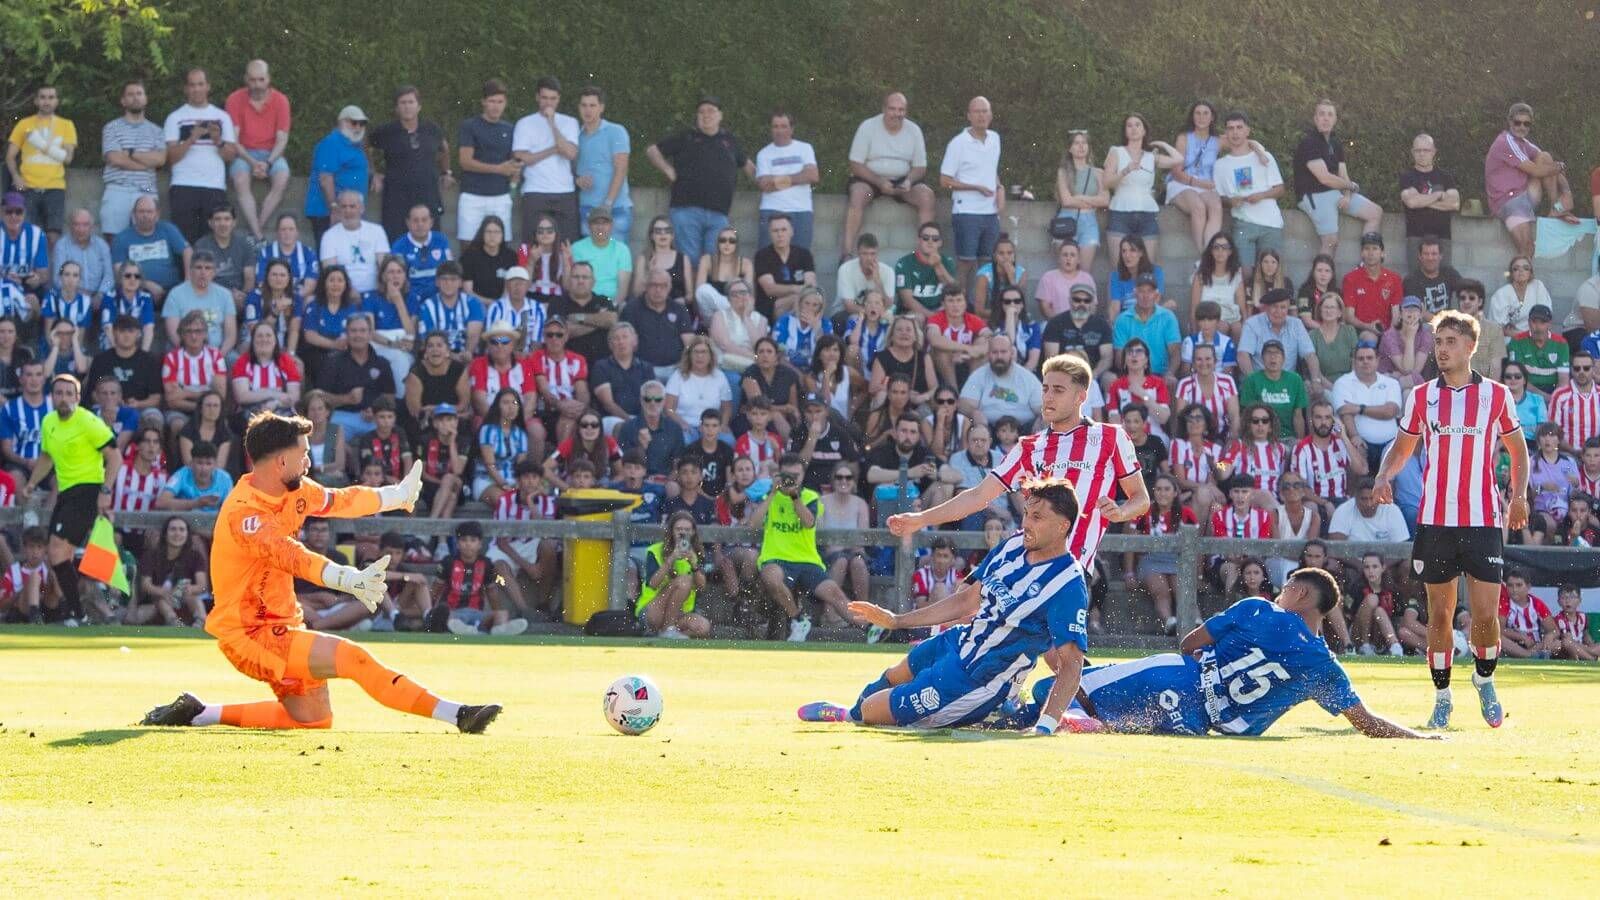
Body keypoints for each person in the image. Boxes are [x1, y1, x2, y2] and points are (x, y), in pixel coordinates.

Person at [140, 412, 505, 730]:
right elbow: (292, 556)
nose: (310, 459)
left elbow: (341, 500)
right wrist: (350, 579)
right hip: (250, 635)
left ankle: (199, 713)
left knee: (313, 720)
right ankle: (457, 715)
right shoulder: (244, 513)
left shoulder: (293, 489)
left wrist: (397, 496)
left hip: (283, 624)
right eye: (304, 452)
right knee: (352, 658)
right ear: (282, 461)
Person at [801, 477, 1090, 733]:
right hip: (961, 641)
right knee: (894, 674)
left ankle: (1005, 709)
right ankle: (846, 715)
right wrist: (896, 620)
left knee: (872, 709)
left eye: (1037, 517)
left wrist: (1046, 726)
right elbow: (967, 599)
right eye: (1026, 513)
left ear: (1063, 525)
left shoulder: (1067, 583)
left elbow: (1072, 664)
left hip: (978, 678)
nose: (1026, 523)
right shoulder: (1014, 545)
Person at [1020, 568, 1431, 738]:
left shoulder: (1259, 609)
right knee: (1111, 719)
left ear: (1302, 594)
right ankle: (1084, 722)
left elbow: (1188, 644)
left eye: (1287, 587)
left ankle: (1049, 716)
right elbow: (1367, 723)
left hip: (1179, 677)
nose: (1279, 592)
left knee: (1049, 689)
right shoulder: (1325, 666)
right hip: (1199, 723)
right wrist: (1419, 738)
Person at [1373, 309, 1529, 729]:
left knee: (1484, 616)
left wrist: (1519, 496)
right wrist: (1383, 474)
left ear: (1470, 347)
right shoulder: (1422, 396)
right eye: (1438, 342)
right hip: (1435, 521)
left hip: (1482, 520)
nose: (1442, 350)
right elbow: (1403, 447)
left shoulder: (1496, 395)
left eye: (1450, 342)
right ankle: (1442, 696)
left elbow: (1518, 451)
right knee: (1438, 616)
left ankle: (1483, 680)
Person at [889, 353, 1149, 571]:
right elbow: (978, 496)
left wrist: (1122, 512)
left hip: (1071, 572)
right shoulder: (1029, 446)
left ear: (1081, 397)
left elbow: (1141, 499)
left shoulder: (1110, 437)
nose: (1048, 397)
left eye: (1058, 390)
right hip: (1026, 566)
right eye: (1045, 389)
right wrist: (921, 519)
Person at [15, 374, 119, 623]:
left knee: (57, 553)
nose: (63, 398)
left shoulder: (88, 422)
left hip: (87, 491)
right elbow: (47, 457)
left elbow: (115, 457)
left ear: (78, 398)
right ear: (52, 397)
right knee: (60, 556)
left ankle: (77, 612)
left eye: (68, 394)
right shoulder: (49, 421)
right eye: (58, 393)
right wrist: (31, 484)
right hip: (66, 492)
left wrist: (105, 492)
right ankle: (74, 611)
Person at [646, 96, 753, 264]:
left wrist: (768, 182)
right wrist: (667, 169)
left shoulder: (730, 142)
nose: (706, 115)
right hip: (685, 211)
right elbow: (653, 151)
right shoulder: (686, 137)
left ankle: (704, 291)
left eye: (711, 111)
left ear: (720, 115)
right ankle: (690, 292)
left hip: (719, 214)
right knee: (689, 262)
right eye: (701, 112)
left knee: (714, 264)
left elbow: (749, 167)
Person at [842, 92, 935, 259]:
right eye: (892, 109)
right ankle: (846, 253)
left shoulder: (914, 130)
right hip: (871, 182)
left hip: (903, 184)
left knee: (926, 196)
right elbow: (855, 164)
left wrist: (909, 180)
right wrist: (878, 181)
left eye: (901, 110)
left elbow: (920, 167)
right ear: (884, 109)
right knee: (858, 194)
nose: (897, 114)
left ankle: (926, 255)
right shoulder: (868, 127)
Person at [1485, 102, 1579, 259]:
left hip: (1524, 195)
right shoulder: (1505, 142)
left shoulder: (1523, 143)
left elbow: (1548, 164)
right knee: (1527, 249)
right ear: (1509, 122)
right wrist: (1560, 168)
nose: (1522, 127)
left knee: (1545, 157)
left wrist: (1566, 192)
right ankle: (1521, 281)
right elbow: (1537, 171)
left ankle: (1557, 208)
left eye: (1526, 124)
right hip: (1508, 201)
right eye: (1517, 122)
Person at [1291, 100, 1383, 256]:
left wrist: (1347, 195)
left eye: (1330, 115)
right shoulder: (1309, 143)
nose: (1326, 118)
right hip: (1314, 195)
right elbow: (1324, 178)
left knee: (1375, 212)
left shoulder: (1335, 143)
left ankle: (1365, 264)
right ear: (1315, 119)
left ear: (1334, 120)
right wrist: (1351, 186)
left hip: (1336, 192)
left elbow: (1343, 173)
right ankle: (1321, 281)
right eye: (1322, 114)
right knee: (1331, 242)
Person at [162, 69, 237, 243]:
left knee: (212, 243)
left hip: (214, 187)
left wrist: (217, 140)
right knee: (184, 243)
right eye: (192, 85)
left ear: (208, 87)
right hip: (183, 186)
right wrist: (191, 139)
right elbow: (170, 158)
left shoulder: (222, 117)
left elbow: (230, 156)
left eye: (200, 84)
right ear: (186, 89)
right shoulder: (175, 117)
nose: (196, 89)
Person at [368, 86, 451, 242]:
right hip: (397, 199)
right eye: (403, 102)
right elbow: (366, 147)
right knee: (396, 240)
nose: (407, 106)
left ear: (419, 106)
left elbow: (445, 149)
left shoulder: (432, 129)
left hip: (428, 196)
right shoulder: (386, 131)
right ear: (397, 108)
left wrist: (446, 172)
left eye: (411, 102)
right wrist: (373, 173)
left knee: (431, 239)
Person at [939, 96, 1005, 294]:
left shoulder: (995, 139)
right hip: (966, 211)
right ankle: (958, 306)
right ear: (969, 116)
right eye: (977, 112)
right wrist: (975, 187)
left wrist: (999, 187)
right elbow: (944, 180)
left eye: (985, 111)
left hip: (990, 213)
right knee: (965, 263)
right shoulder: (958, 144)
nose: (981, 116)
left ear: (991, 115)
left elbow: (991, 169)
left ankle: (982, 309)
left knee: (988, 264)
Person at [1211, 111, 1285, 279]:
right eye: (1230, 128)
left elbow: (1280, 189)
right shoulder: (1220, 165)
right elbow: (1219, 198)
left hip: (1271, 224)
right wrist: (1230, 201)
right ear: (1226, 133)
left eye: (1239, 127)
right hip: (1243, 224)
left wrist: (1262, 195)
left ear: (1247, 131)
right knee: (1244, 274)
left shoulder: (1264, 157)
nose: (1235, 132)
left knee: (1272, 275)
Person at [223, 60, 292, 240]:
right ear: (246, 79)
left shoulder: (281, 101)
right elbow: (233, 139)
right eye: (253, 80)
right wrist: (252, 162)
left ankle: (257, 230)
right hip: (244, 154)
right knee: (239, 179)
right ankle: (259, 236)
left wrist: (268, 163)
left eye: (261, 80)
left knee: (282, 177)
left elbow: (282, 139)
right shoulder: (234, 99)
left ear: (268, 79)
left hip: (272, 154)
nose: (257, 85)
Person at [1101, 113, 1180, 266]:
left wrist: (1163, 144)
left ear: (1144, 131)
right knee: (1118, 268)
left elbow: (1178, 160)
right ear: (1125, 131)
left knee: (1147, 267)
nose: (1133, 128)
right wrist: (1125, 170)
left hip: (1147, 214)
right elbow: (1106, 182)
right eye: (1129, 125)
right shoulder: (1116, 152)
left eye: (1138, 125)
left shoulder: (1151, 157)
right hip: (1120, 214)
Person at [513, 77, 580, 245]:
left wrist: (552, 123)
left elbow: (570, 153)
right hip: (534, 191)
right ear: (537, 97)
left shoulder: (570, 122)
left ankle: (566, 272)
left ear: (558, 99)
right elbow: (521, 157)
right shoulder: (524, 123)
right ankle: (523, 269)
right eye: (544, 98)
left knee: (568, 243)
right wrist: (553, 150)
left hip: (565, 192)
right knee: (527, 243)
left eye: (552, 98)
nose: (548, 103)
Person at [6, 85, 76, 244]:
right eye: (43, 97)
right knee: (26, 236)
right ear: (36, 101)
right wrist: (16, 177)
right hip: (28, 187)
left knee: (54, 237)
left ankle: (51, 269)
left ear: (57, 101)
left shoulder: (66, 125)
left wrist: (39, 143)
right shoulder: (24, 124)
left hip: (55, 187)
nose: (47, 101)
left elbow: (68, 158)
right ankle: (29, 269)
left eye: (51, 97)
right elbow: (10, 156)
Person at [99, 80, 167, 239]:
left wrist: (130, 153)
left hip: (148, 187)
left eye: (139, 94)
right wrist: (145, 164)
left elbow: (160, 160)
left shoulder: (156, 131)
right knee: (113, 240)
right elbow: (114, 158)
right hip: (118, 187)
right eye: (130, 94)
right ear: (123, 100)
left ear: (146, 98)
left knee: (148, 238)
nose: (135, 98)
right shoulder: (111, 127)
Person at [455, 78, 519, 243]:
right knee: (468, 245)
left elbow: (514, 163)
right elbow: (465, 161)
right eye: (492, 101)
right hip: (472, 196)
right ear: (483, 102)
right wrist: (498, 169)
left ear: (505, 103)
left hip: (501, 196)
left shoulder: (511, 129)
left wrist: (514, 175)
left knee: (502, 244)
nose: (496, 106)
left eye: (500, 101)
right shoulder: (469, 126)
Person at [635, 511, 713, 639]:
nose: (683, 533)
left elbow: (701, 587)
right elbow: (653, 584)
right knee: (684, 581)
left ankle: (664, 635)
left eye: (687, 529)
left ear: (693, 532)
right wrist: (671, 559)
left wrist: (694, 565)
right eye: (679, 529)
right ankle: (668, 630)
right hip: (653, 611)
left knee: (703, 627)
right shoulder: (655, 550)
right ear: (671, 531)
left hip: (679, 613)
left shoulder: (697, 553)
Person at [1331, 342, 1403, 473]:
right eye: (1360, 358)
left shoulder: (1391, 383)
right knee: (1356, 454)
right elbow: (1345, 413)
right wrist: (1354, 436)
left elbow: (1390, 411)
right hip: (1360, 442)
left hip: (1390, 443)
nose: (1365, 362)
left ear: (1377, 360)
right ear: (1354, 361)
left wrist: (1360, 409)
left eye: (1369, 358)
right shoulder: (1342, 383)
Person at [1164, 101, 1224, 252]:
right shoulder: (1184, 138)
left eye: (1206, 113)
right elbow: (1176, 172)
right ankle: (1202, 253)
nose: (1201, 117)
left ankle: (1211, 250)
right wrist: (1200, 184)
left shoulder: (1218, 141)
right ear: (1192, 116)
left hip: (1205, 186)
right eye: (1197, 113)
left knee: (1216, 206)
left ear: (1212, 118)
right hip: (1182, 183)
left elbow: (1245, 141)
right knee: (1198, 207)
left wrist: (1259, 151)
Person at [753, 109, 818, 250]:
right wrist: (798, 176)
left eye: (784, 126)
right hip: (771, 210)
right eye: (775, 126)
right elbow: (764, 185)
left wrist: (775, 180)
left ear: (792, 129)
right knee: (767, 259)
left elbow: (812, 176)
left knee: (800, 258)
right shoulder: (763, 154)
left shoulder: (805, 148)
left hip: (801, 211)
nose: (779, 131)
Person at [303, 106, 369, 243]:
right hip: (328, 212)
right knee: (330, 255)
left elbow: (357, 170)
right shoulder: (331, 143)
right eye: (353, 122)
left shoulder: (355, 144)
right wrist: (334, 207)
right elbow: (326, 178)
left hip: (348, 211)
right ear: (341, 122)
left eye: (362, 123)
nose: (358, 127)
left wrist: (374, 176)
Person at [130, 516, 209, 627]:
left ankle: (201, 621)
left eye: (182, 530)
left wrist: (188, 589)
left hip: (185, 598)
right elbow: (146, 585)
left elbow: (202, 585)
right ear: (165, 533)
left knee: (193, 597)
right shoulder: (151, 555)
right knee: (160, 600)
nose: (177, 533)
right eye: (173, 529)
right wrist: (166, 592)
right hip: (157, 602)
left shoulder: (195, 556)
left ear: (187, 534)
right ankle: (174, 622)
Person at [1398, 137, 1460, 270]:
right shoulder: (1407, 177)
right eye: (1418, 150)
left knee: (1444, 279)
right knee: (1415, 280)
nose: (1422, 154)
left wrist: (1421, 199)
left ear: (1433, 152)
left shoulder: (1445, 177)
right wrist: (1438, 195)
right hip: (1416, 237)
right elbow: (1411, 202)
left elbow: (1454, 203)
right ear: (1412, 152)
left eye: (1426, 150)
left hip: (1442, 237)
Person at [959, 334, 1042, 429]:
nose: (999, 356)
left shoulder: (1027, 377)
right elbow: (963, 404)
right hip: (989, 430)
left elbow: (1043, 407)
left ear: (1011, 353)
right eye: (995, 352)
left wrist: (1041, 418)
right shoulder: (979, 375)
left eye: (1003, 352)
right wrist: (974, 413)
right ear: (988, 354)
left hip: (1023, 431)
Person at [622, 269, 695, 378]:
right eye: (653, 285)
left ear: (669, 288)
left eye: (663, 286)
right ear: (646, 286)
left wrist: (685, 364)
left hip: (675, 369)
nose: (658, 290)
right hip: (643, 370)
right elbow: (625, 342)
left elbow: (689, 340)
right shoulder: (632, 309)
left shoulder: (679, 309)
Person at [1052, 129, 1107, 272]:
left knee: (1084, 270)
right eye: (1077, 143)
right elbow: (1067, 201)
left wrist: (1080, 198)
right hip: (1067, 220)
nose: (1081, 146)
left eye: (1084, 143)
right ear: (1070, 148)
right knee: (1066, 270)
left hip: (1089, 222)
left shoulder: (1098, 173)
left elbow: (1105, 200)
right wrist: (1092, 202)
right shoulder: (1063, 172)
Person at [162, 250, 237, 355]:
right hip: (185, 349)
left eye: (208, 268)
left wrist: (219, 355)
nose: (203, 272)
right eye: (198, 267)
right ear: (190, 270)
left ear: (214, 272)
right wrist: (197, 356)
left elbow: (230, 335)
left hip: (218, 351)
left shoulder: (225, 295)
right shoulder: (175, 294)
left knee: (233, 359)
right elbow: (173, 333)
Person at [317, 190, 388, 295]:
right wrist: (349, 291)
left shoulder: (377, 231)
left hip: (375, 292)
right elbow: (330, 272)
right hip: (342, 294)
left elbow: (384, 266)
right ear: (338, 210)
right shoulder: (329, 236)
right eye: (344, 206)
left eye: (352, 206)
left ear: (362, 209)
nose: (348, 211)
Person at [1112, 275, 1181, 378]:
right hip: (1132, 374)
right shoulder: (1123, 319)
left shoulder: (1168, 317)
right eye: (1141, 291)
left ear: (1156, 294)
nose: (1146, 295)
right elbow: (1119, 357)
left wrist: (1170, 374)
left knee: (1172, 382)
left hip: (1161, 376)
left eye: (1150, 291)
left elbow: (1175, 353)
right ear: (1135, 294)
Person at [1238, 288, 1316, 376]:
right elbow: (1242, 355)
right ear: (1267, 308)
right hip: (1260, 380)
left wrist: (1315, 380)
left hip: (1287, 383)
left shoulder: (1296, 324)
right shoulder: (1252, 324)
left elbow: (1310, 355)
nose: (1278, 311)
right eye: (1274, 306)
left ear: (1288, 309)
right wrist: (1253, 382)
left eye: (1283, 307)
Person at [1239, 340, 1308, 442]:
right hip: (1261, 438)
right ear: (1262, 358)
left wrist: (1300, 443)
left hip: (1287, 437)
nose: (1273, 357)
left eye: (1277, 353)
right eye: (1268, 353)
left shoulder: (1295, 380)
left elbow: (1298, 416)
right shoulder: (1252, 380)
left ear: (1284, 358)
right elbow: (1247, 415)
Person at [753, 213, 815, 321]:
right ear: (770, 233)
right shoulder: (762, 256)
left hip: (801, 301)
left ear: (792, 232)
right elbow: (770, 289)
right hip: (770, 306)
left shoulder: (804, 255)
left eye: (783, 230)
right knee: (797, 299)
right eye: (775, 231)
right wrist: (796, 289)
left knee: (810, 299)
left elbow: (811, 284)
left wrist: (801, 292)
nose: (780, 234)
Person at [193, 205, 257, 308]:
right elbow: (200, 279)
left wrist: (244, 296)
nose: (222, 224)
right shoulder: (202, 245)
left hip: (240, 297)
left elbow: (249, 277)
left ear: (234, 223)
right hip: (212, 297)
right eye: (218, 219)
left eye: (227, 219)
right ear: (210, 223)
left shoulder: (244, 244)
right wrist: (226, 296)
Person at [1340, 232, 1403, 332]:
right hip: (1362, 331)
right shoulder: (1350, 279)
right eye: (1367, 248)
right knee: (1369, 338)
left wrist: (1389, 336)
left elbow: (1396, 315)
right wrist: (1368, 327)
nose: (1371, 253)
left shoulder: (1394, 279)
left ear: (1382, 253)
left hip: (1388, 332)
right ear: (1361, 253)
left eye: (1375, 248)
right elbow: (1349, 317)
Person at [895, 222, 958, 321]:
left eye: (935, 239)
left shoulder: (947, 261)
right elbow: (907, 300)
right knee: (919, 318)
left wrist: (938, 265)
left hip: (940, 310)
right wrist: (933, 317)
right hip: (912, 312)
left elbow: (954, 291)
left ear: (940, 242)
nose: (930, 241)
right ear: (919, 240)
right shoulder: (904, 263)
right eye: (925, 238)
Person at [1, 191, 50, 310]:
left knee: (42, 298)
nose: (14, 216)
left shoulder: (37, 234)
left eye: (18, 212)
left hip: (26, 286)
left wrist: (36, 280)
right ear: (1, 212)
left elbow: (43, 274)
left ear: (24, 213)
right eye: (9, 212)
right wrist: (7, 280)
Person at [389, 204, 451, 298]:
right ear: (408, 223)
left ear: (431, 222)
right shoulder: (399, 246)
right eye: (415, 220)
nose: (420, 224)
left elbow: (450, 270)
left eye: (424, 220)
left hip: (439, 297)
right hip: (411, 298)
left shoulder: (441, 240)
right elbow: (395, 279)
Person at [1189, 233, 1244, 338]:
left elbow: (1242, 308)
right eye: (1216, 247)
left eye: (1225, 248)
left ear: (1230, 251)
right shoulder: (1200, 275)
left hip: (1230, 316)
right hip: (1207, 318)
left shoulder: (1236, 274)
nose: (1220, 251)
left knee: (1238, 328)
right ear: (1211, 251)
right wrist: (1194, 334)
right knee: (1221, 327)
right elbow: (1194, 308)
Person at [156, 439, 233, 512]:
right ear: (191, 463)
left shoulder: (225, 478)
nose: (204, 468)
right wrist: (196, 503)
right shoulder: (182, 474)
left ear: (215, 464)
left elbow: (231, 508)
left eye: (208, 463)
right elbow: (161, 502)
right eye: (199, 463)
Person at [1378, 296, 1436, 390]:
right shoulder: (1389, 335)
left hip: (1406, 381)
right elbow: (1407, 370)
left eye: (1415, 309)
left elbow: (1415, 371)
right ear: (1400, 314)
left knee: (1408, 392)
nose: (1411, 312)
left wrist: (1410, 337)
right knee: (1414, 380)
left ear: (1421, 315)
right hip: (1386, 379)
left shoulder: (1425, 336)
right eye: (1407, 308)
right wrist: (1410, 337)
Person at [1488, 255, 1553, 339]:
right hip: (1509, 339)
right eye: (1516, 269)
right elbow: (1500, 328)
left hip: (1537, 336)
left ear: (1530, 273)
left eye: (1526, 268)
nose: (1521, 271)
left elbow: (1546, 316)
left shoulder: (1538, 287)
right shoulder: (1501, 294)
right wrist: (1524, 337)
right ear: (1511, 274)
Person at [52, 209, 112, 298]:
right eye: (76, 224)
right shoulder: (62, 246)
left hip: (99, 295)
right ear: (70, 226)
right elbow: (57, 278)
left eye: (85, 225)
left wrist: (100, 294)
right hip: (71, 295)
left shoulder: (102, 245)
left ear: (92, 227)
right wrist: (79, 295)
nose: (81, 229)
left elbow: (109, 277)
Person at [1552, 349, 1600, 450]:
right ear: (1571, 370)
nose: (1581, 372)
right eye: (1577, 368)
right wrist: (1573, 452)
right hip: (1568, 455)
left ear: (1593, 370)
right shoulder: (1560, 395)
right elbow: (1553, 431)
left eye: (1586, 368)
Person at [1402, 237, 1460, 317]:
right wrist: (1442, 324)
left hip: (1446, 326)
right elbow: (1420, 312)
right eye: (1426, 254)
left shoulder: (1449, 273)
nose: (1430, 258)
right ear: (1420, 256)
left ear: (1440, 256)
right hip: (1423, 327)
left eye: (1434, 254)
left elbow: (1466, 290)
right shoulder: (1411, 280)